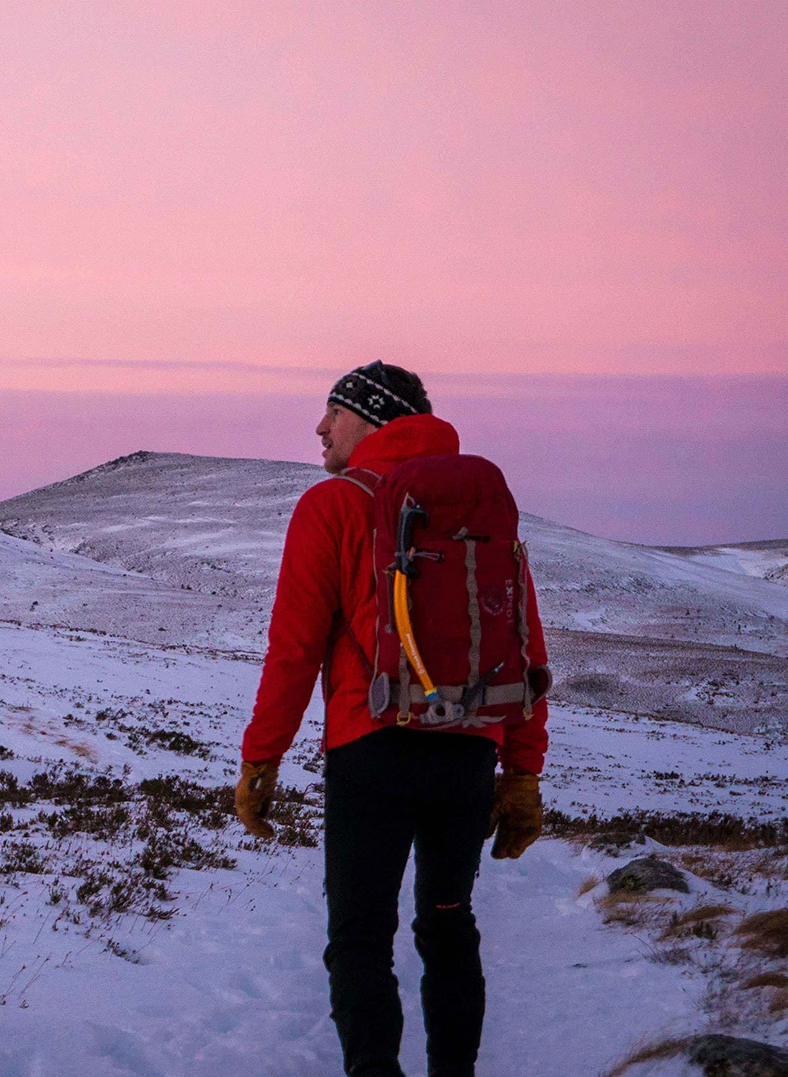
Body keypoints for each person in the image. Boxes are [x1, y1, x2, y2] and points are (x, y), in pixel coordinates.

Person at [234, 361, 548, 1077]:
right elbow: (524, 641)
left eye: (334, 414)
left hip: (370, 749)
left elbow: (294, 648)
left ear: (373, 421)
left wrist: (261, 760)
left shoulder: (333, 505)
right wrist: (522, 772)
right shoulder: (478, 508)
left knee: (360, 939)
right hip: (466, 755)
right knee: (448, 926)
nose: (320, 429)